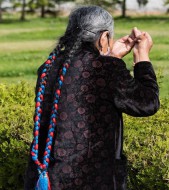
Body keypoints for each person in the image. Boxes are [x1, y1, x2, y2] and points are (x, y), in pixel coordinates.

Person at [24, 5, 159, 190]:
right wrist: (141, 56)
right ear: (104, 38)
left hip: (46, 180)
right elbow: (147, 103)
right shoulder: (106, 69)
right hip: (91, 180)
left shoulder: (48, 67)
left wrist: (112, 57)